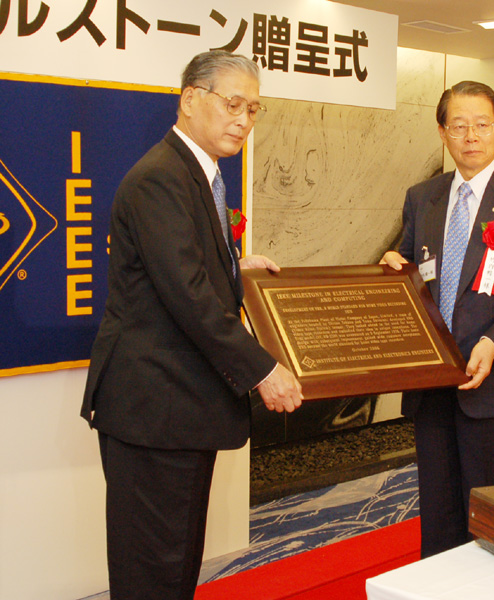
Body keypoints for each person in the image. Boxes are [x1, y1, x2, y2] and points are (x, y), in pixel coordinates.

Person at [80, 50, 303, 599]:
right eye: (232, 104)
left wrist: (235, 266)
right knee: (153, 570)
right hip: (156, 409)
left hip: (179, 407)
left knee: (175, 560)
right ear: (189, 99)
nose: (243, 120)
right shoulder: (161, 178)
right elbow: (188, 296)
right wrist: (263, 370)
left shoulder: (196, 173)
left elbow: (180, 267)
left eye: (253, 109)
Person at [381, 81, 494, 558]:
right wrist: (390, 268)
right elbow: (409, 268)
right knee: (439, 516)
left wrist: (493, 344)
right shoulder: (423, 197)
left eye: (481, 124)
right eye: (458, 126)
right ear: (442, 132)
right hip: (433, 385)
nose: (471, 136)